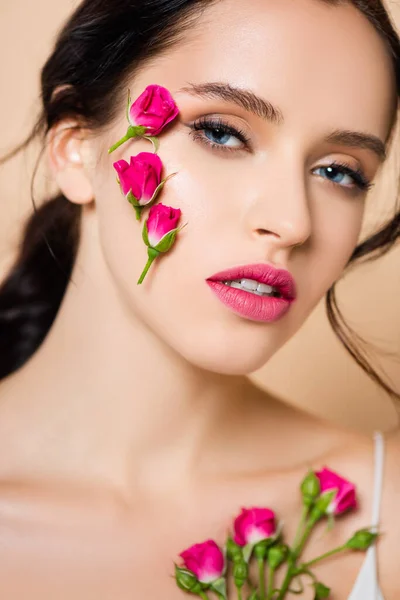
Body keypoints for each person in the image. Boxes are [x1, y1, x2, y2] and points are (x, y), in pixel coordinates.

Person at [0, 0, 399, 597]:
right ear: (75, 147)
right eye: (221, 132)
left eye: (339, 172)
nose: (292, 222)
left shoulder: (382, 514)